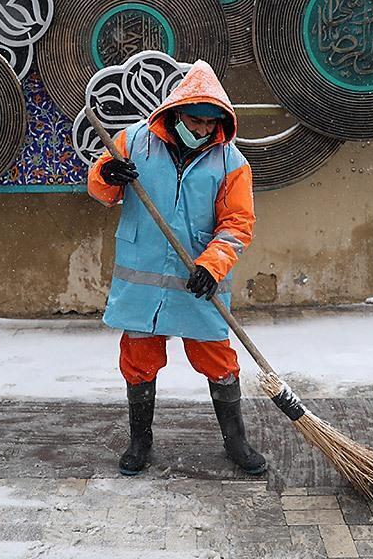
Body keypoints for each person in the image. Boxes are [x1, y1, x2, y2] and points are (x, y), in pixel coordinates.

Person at [88, 60, 265, 476]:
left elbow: (238, 224)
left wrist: (213, 264)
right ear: (176, 113)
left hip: (198, 280)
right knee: (139, 359)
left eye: (211, 123)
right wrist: (108, 174)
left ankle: (236, 441)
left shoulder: (232, 162)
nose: (203, 130)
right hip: (143, 280)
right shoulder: (134, 141)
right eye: (196, 121)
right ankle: (139, 441)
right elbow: (100, 189)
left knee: (217, 360)